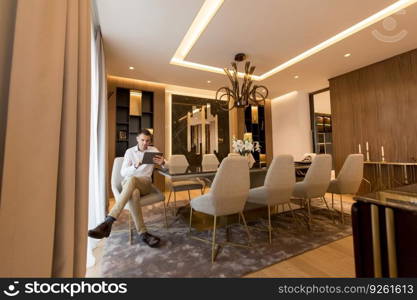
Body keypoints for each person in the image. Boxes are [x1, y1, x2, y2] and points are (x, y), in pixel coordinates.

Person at [88, 129, 165, 247]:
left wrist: (163, 162)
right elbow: (123, 172)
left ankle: (108, 221)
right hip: (128, 182)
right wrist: (135, 166)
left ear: (150, 141)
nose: (145, 143)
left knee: (132, 180)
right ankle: (143, 234)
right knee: (133, 192)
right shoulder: (129, 152)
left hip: (145, 183)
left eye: (148, 141)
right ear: (137, 139)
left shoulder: (153, 151)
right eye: (143, 140)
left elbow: (167, 166)